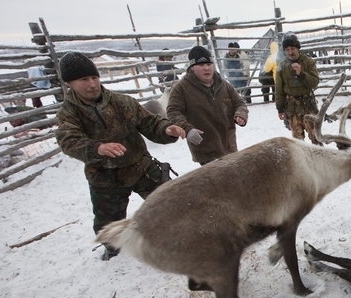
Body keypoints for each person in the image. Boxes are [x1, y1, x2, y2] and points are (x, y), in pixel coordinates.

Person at [55, 52, 186, 261]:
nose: (92, 84)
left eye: (94, 77)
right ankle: (114, 254)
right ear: (69, 83)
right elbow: (68, 140)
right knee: (108, 227)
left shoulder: (122, 102)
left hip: (140, 166)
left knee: (172, 202)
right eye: (84, 79)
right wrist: (97, 148)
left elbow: (150, 122)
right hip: (105, 176)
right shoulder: (68, 114)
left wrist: (166, 129)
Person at [167, 45, 249, 166]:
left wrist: (240, 114)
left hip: (229, 145)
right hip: (206, 150)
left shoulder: (223, 84)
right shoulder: (182, 88)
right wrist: (187, 129)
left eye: (209, 64)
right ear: (192, 68)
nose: (206, 68)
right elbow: (173, 111)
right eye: (201, 65)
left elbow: (240, 103)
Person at [275, 33, 322, 145]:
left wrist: (302, 74)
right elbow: (279, 90)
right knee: (298, 142)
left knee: (316, 137)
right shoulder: (281, 66)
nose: (290, 52)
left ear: (297, 48)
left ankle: (320, 160)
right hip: (292, 108)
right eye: (287, 50)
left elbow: (314, 83)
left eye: (292, 48)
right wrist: (280, 108)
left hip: (308, 105)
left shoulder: (308, 62)